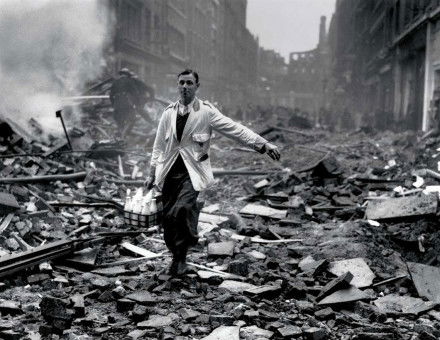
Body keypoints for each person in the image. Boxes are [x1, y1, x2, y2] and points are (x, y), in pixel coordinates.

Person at [145, 69, 280, 276]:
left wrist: (263, 144)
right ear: (177, 85)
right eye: (181, 82)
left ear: (197, 87)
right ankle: (176, 255)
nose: (185, 87)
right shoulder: (168, 113)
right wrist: (151, 172)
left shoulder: (206, 112)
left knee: (182, 210)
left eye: (189, 83)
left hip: (193, 173)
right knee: (169, 219)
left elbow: (235, 129)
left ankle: (181, 258)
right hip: (169, 172)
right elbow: (157, 147)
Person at [109, 68, 154, 138]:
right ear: (127, 74)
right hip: (127, 104)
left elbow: (111, 96)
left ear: (121, 74)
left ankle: (120, 136)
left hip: (117, 105)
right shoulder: (129, 81)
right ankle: (123, 137)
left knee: (120, 122)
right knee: (132, 119)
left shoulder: (115, 82)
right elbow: (135, 93)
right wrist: (137, 103)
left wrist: (114, 105)